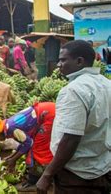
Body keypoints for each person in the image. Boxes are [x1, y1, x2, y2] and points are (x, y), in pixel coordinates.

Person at [36, 40, 111, 194]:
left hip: (77, 175)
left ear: (79, 61)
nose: (58, 64)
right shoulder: (106, 84)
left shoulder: (73, 90)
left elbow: (71, 138)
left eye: (63, 60)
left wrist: (47, 174)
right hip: (102, 167)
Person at [0, 102, 56, 191]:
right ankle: (41, 176)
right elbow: (24, 142)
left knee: (37, 149)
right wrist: (12, 157)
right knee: (35, 147)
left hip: (48, 116)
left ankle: (36, 181)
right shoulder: (8, 125)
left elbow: (29, 144)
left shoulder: (12, 128)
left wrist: (14, 160)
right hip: (46, 111)